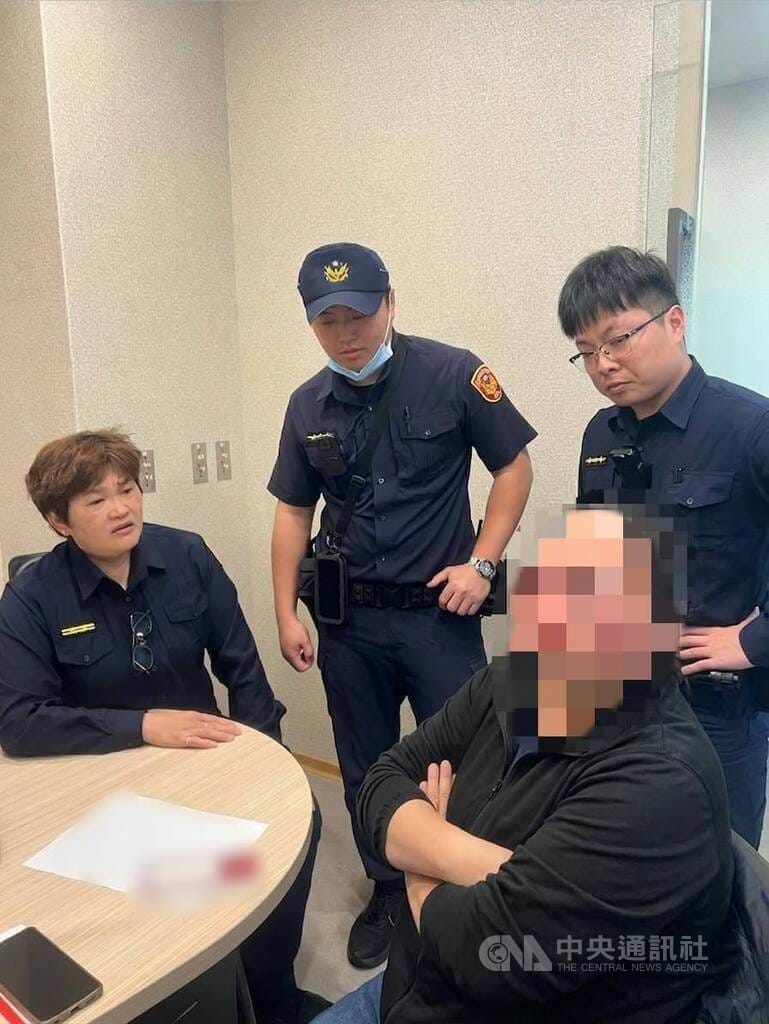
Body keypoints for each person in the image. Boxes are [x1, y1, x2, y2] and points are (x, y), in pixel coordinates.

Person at [314, 505, 735, 1024]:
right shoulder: (516, 681)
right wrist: (482, 865)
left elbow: (483, 951)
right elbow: (381, 784)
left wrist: (418, 870)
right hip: (410, 983)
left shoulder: (661, 785)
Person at [0, 430, 330, 1024]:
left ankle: (270, 991)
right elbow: (19, 723)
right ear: (58, 521)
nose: (121, 508)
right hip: (97, 777)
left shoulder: (187, 555)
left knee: (297, 823)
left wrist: (268, 764)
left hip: (203, 759)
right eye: (96, 500)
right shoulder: (31, 596)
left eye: (127, 489)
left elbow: (243, 669)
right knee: (147, 889)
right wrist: (143, 725)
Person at [268, 242, 536, 968]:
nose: (346, 334)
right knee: (365, 760)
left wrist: (482, 563)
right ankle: (389, 890)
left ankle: (463, 885)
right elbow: (292, 511)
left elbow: (513, 467)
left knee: (467, 757)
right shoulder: (306, 405)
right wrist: (285, 611)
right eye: (328, 322)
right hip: (349, 623)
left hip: (437, 617)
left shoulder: (454, 374)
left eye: (358, 315)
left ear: (390, 303)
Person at [560, 245, 769, 848]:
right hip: (616, 691)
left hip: (715, 705)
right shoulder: (601, 433)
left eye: (617, 339)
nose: (603, 364)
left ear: (674, 322)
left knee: (719, 864)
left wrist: (752, 640)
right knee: (623, 852)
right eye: (586, 351)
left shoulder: (749, 426)